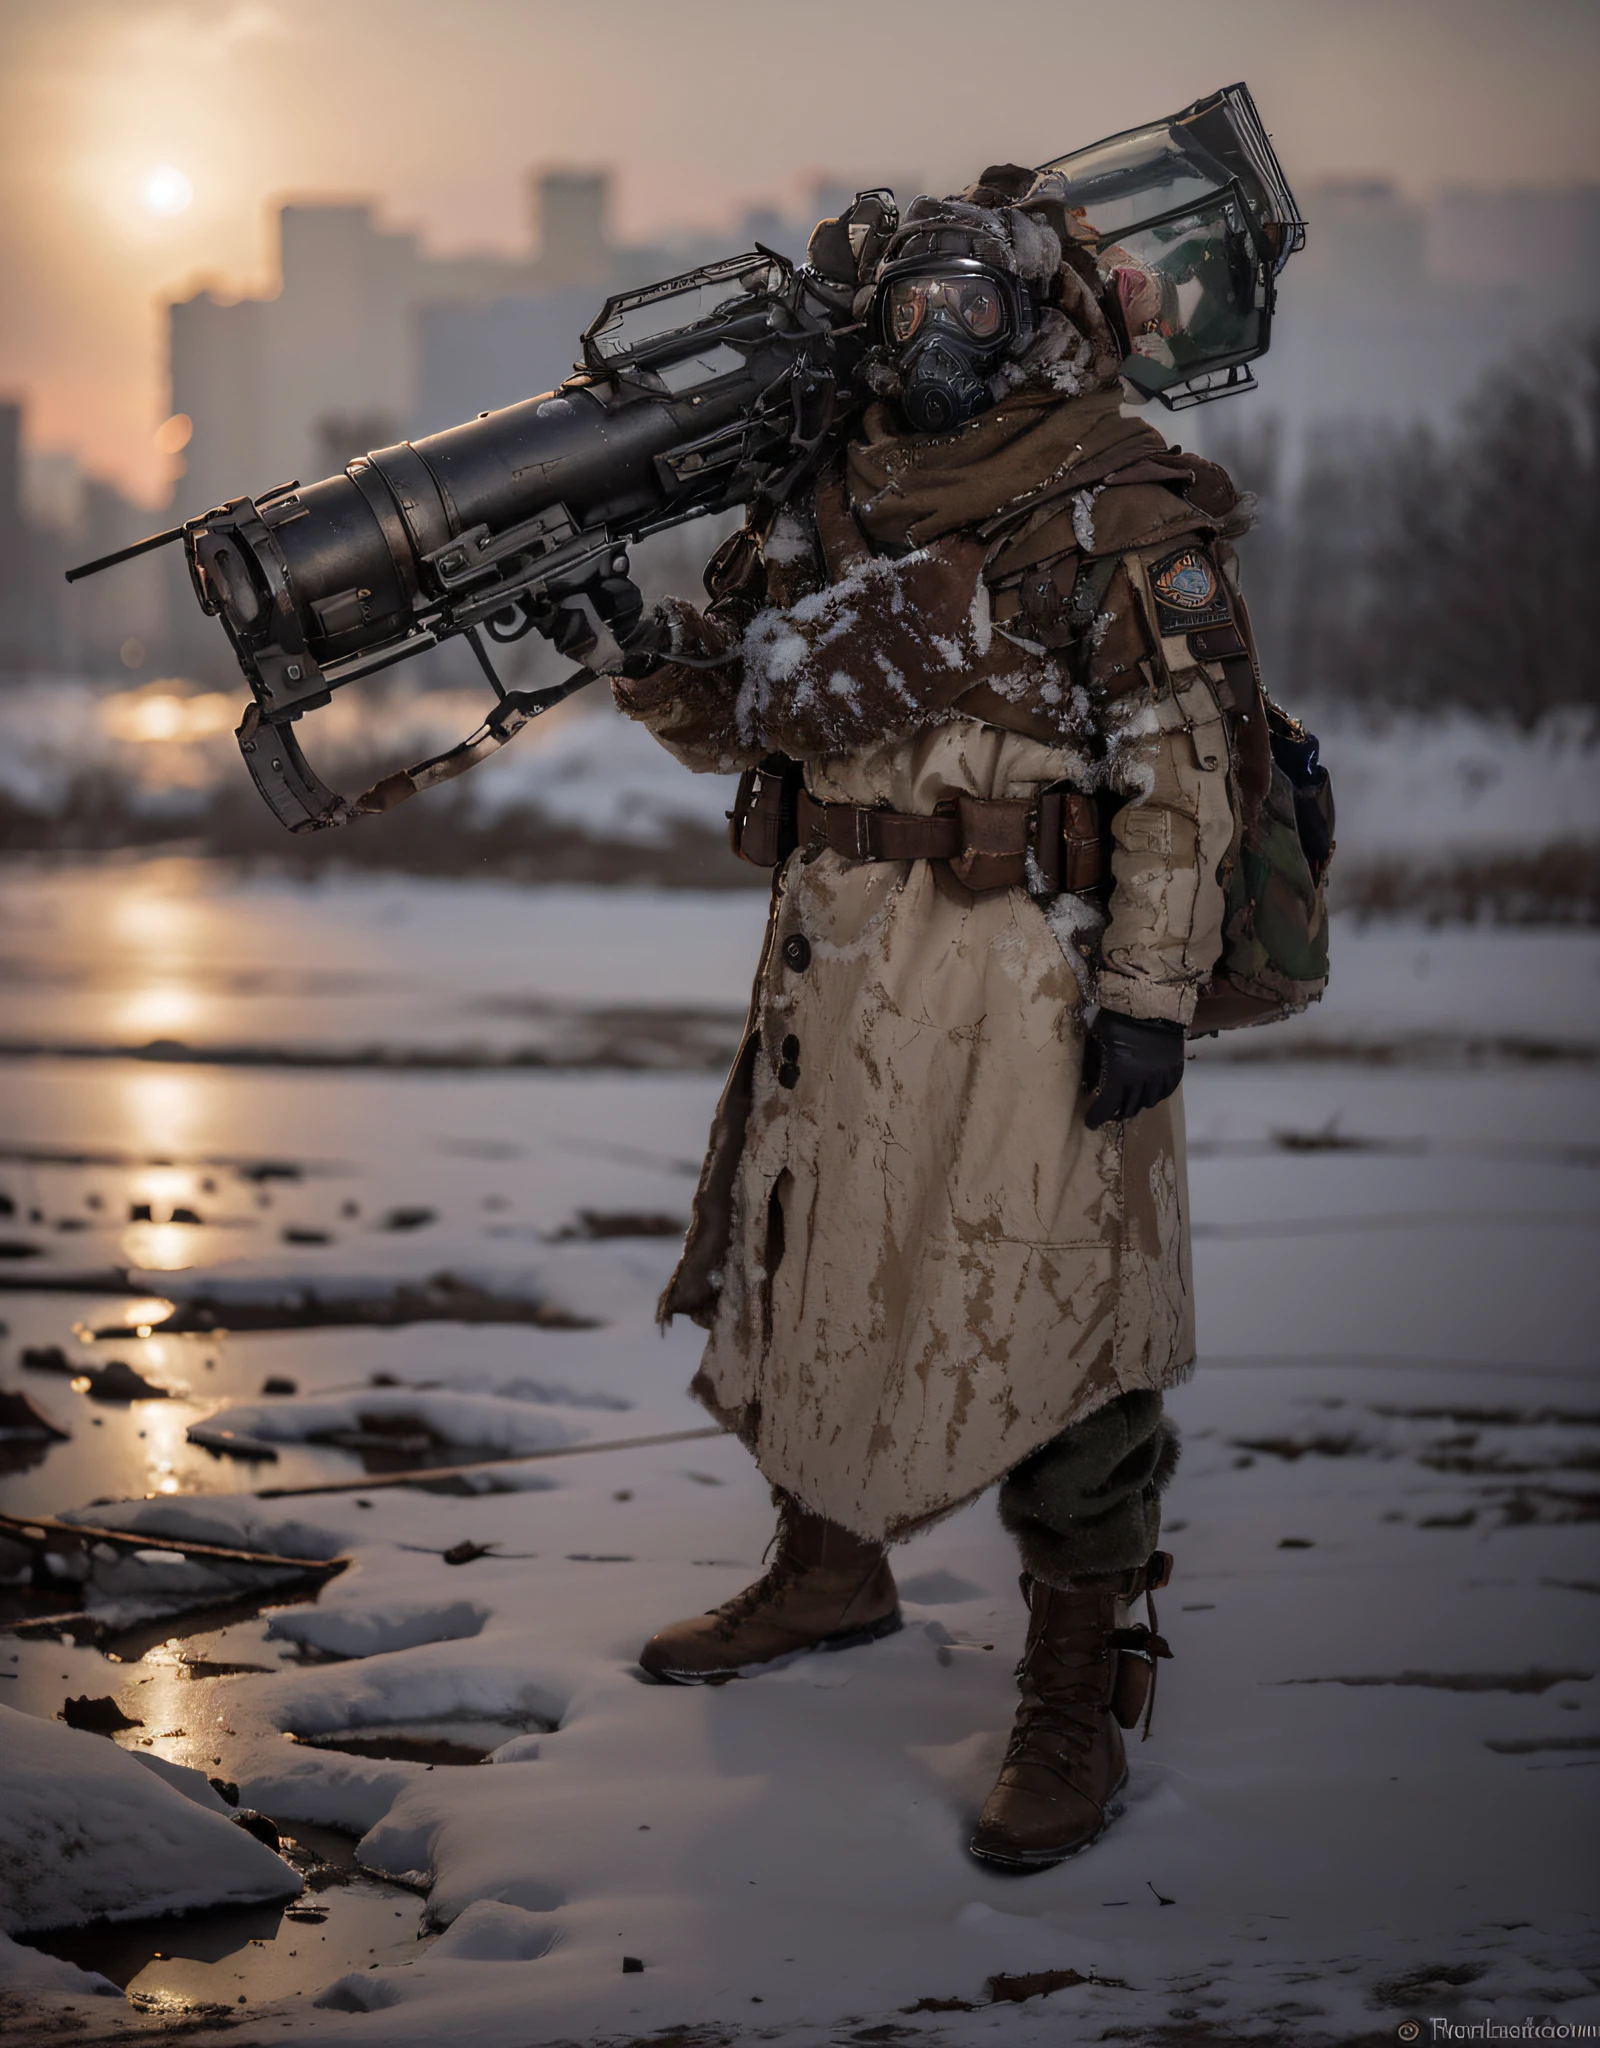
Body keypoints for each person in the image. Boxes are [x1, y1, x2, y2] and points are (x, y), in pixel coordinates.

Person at [603, 165, 1255, 1872]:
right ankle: (828, 1571)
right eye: (908, 310)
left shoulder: (1109, 504)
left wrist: (1150, 996)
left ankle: (1072, 1679)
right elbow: (736, 713)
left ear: (1031, 313)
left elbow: (1181, 776)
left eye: (971, 307)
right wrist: (626, 640)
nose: (937, 339)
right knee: (813, 1257)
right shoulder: (828, 503)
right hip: (841, 962)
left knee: (1057, 1312)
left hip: (1030, 972)